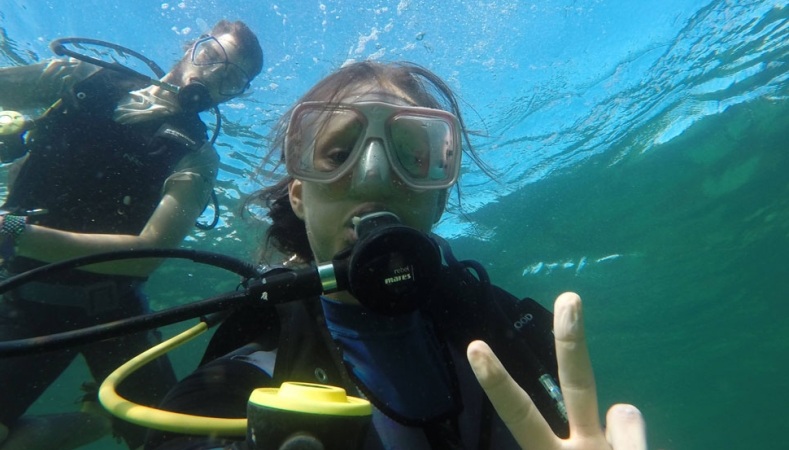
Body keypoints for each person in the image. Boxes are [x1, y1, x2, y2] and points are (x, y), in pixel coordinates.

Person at [142, 60, 646, 450]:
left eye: (412, 156)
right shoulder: (248, 371)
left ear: (439, 197)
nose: (375, 176)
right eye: (338, 155)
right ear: (298, 195)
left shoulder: (502, 333)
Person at [0, 19, 263, 450]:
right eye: (212, 57)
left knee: (170, 446)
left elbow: (143, 257)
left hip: (118, 314)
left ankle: (102, 421)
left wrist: (9, 232)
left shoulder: (197, 154)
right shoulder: (79, 78)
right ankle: (97, 422)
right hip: (28, 303)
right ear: (190, 46)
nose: (214, 76)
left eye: (232, 79)